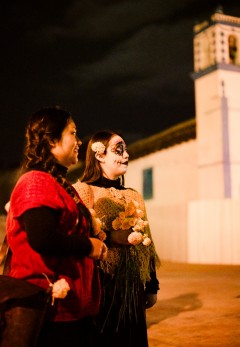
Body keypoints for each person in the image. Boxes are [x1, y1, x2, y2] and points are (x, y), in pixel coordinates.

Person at [6, 106, 107, 347]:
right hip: (51, 311)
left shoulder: (58, 184)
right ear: (52, 141)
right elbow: (43, 238)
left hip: (73, 309)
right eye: (72, 133)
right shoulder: (36, 182)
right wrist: (87, 245)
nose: (79, 141)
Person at [73, 130, 160, 347]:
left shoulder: (134, 195)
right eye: (118, 150)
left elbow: (147, 241)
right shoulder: (83, 192)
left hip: (132, 288)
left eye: (126, 149)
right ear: (99, 155)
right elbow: (76, 238)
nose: (126, 155)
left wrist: (151, 285)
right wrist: (112, 237)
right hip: (100, 286)